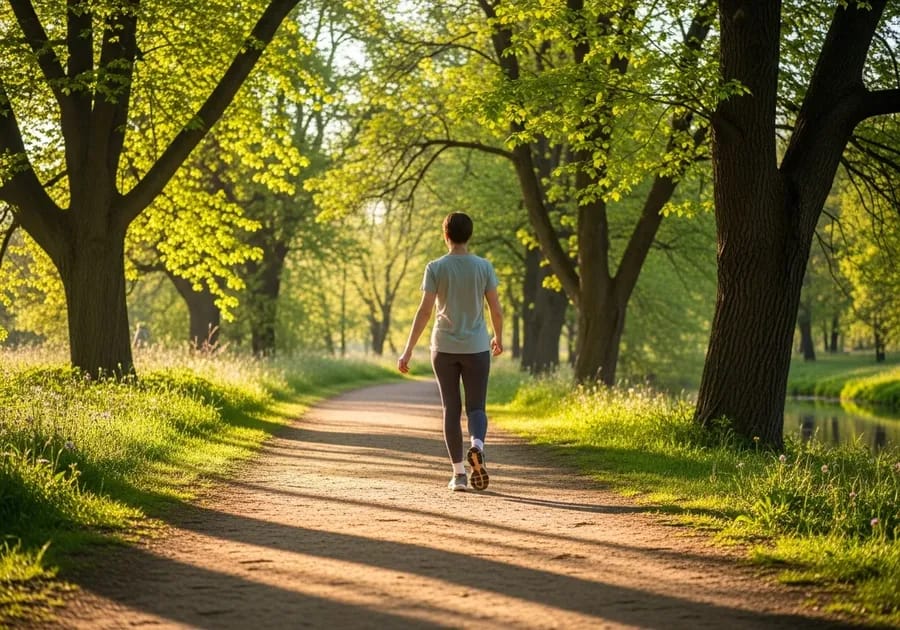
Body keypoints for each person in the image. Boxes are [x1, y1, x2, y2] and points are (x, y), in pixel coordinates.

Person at [398, 212, 503, 492]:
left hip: (443, 347)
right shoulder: (483, 267)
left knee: (451, 409)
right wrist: (499, 337)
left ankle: (458, 475)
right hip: (477, 346)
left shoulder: (435, 267)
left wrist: (407, 351)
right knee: (477, 406)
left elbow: (424, 311)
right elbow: (495, 307)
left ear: (445, 235)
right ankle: (477, 446)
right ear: (469, 235)